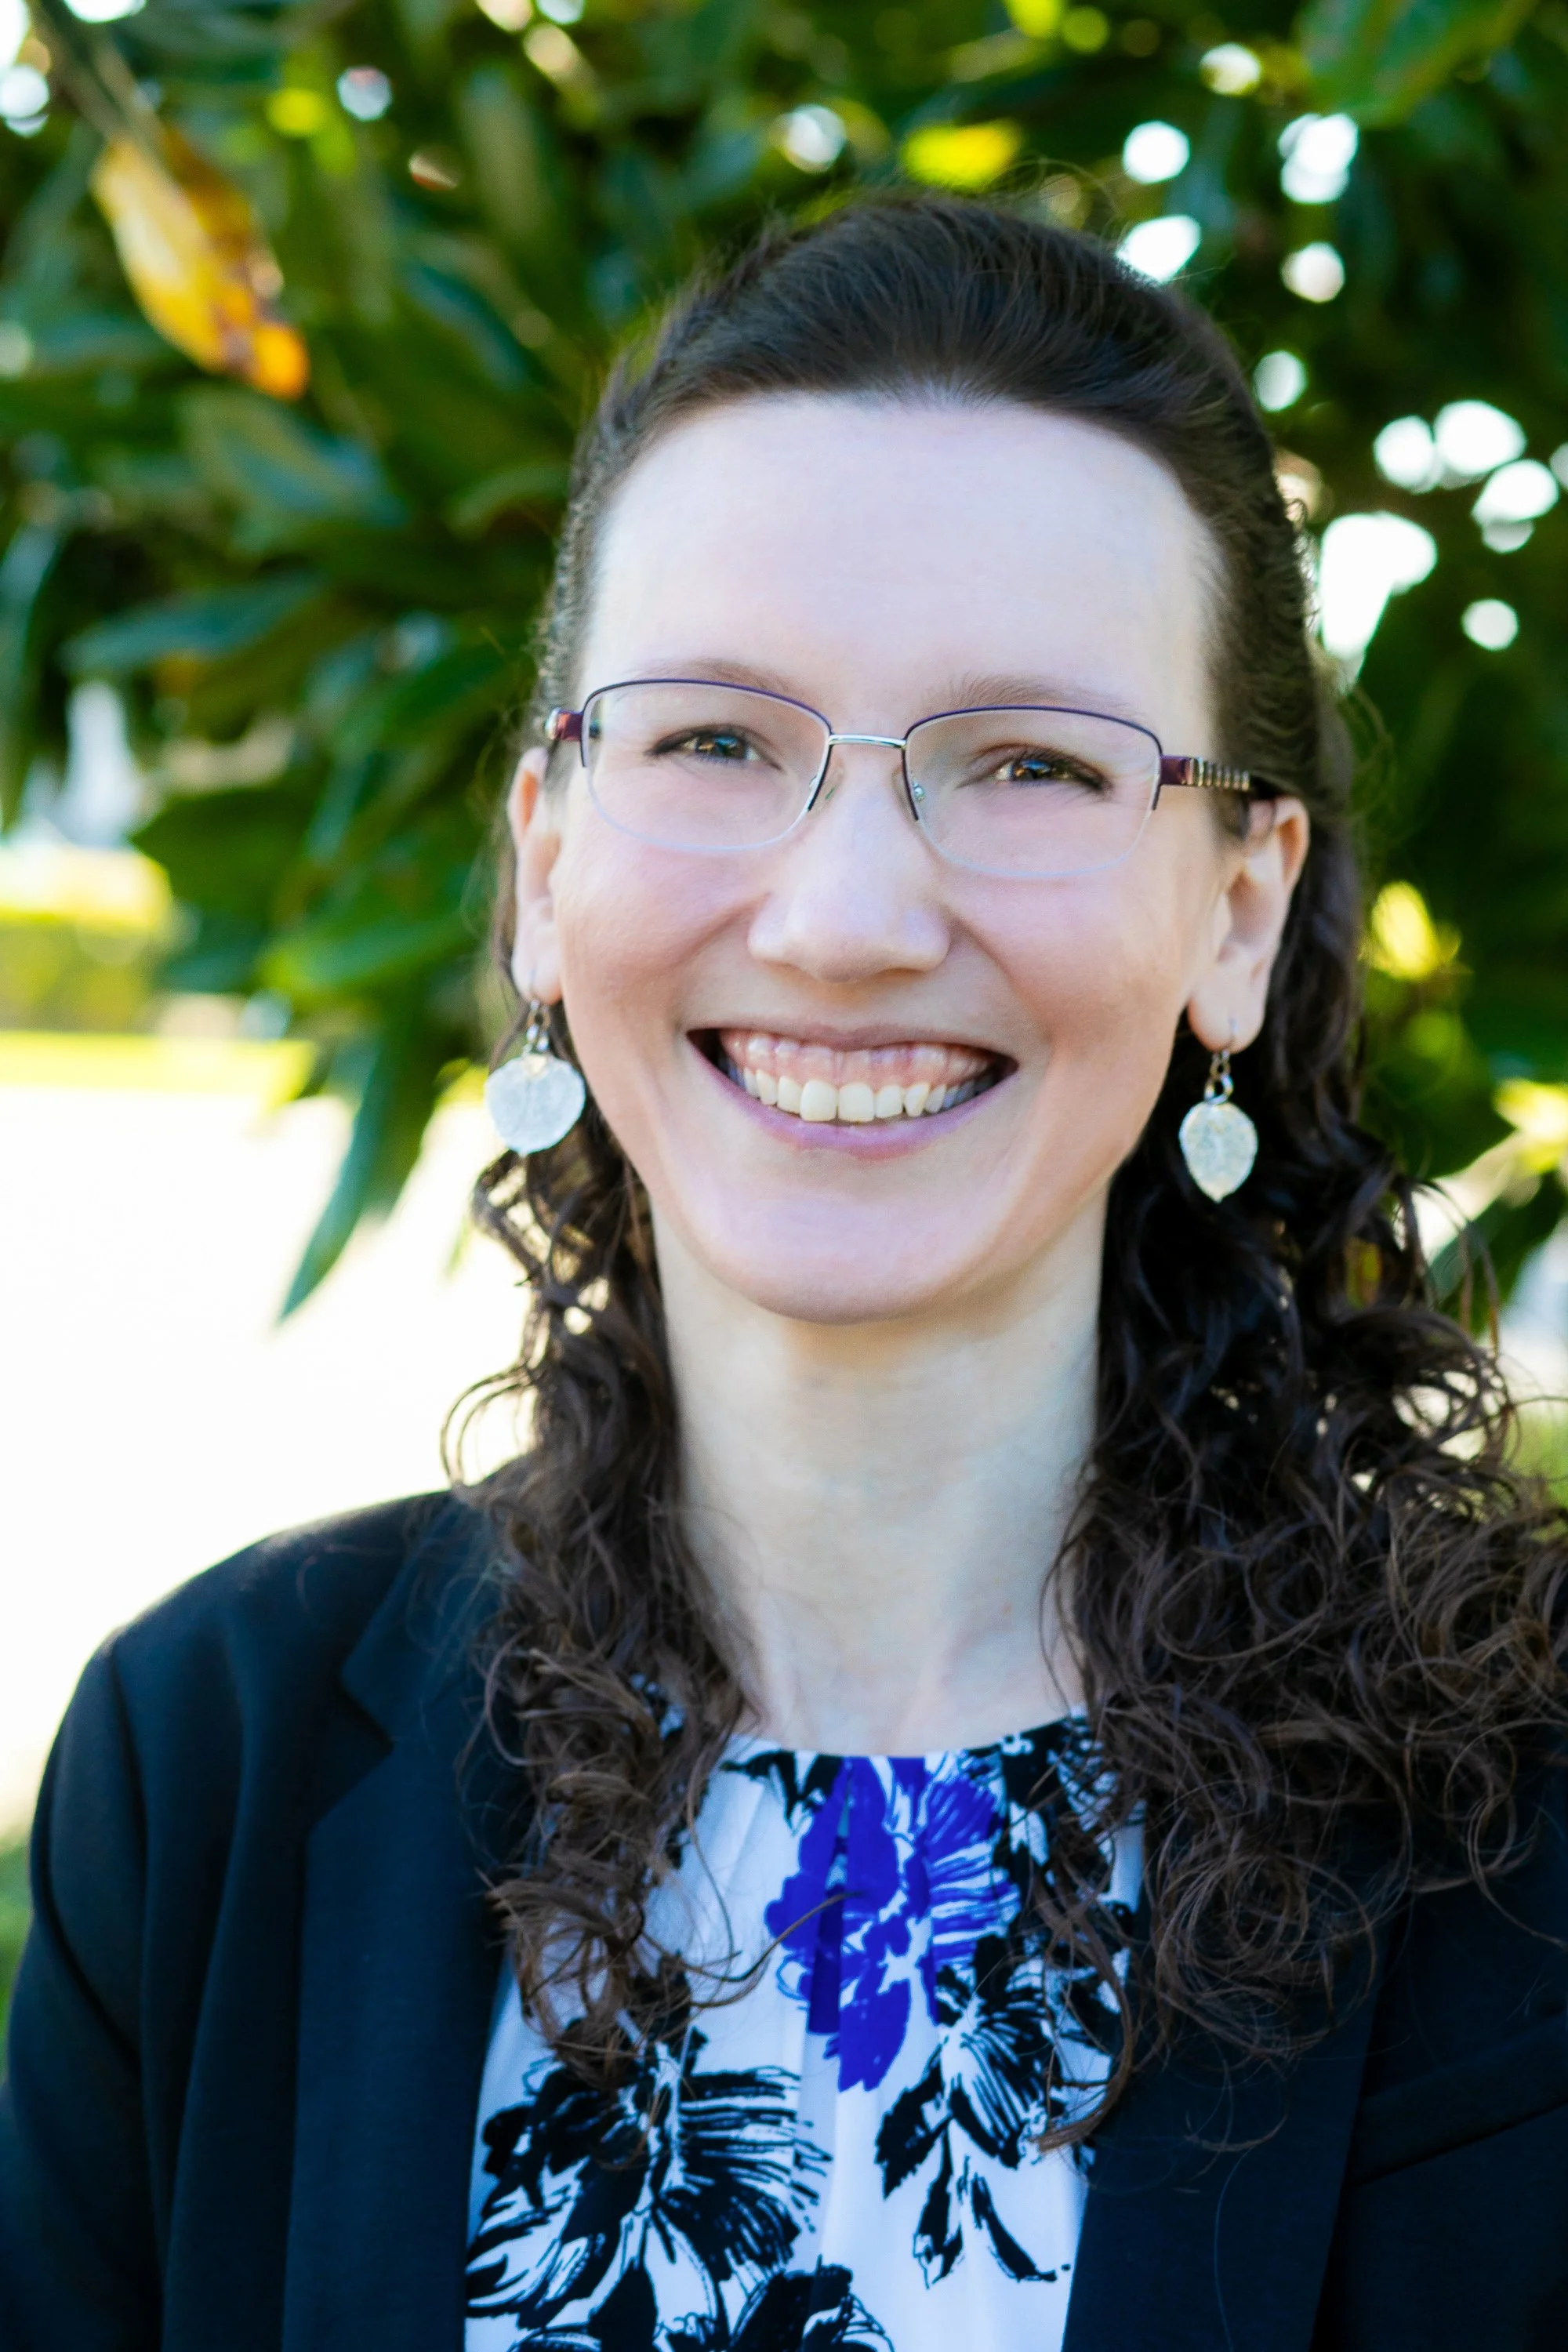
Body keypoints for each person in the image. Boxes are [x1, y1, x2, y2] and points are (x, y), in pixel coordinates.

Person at [3, 195, 1566, 2352]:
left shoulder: (1539, 1816)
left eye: (1026, 762)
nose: (844, 915)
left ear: (1239, 904)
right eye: (718, 740)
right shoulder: (211, 1763)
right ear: (551, 859)